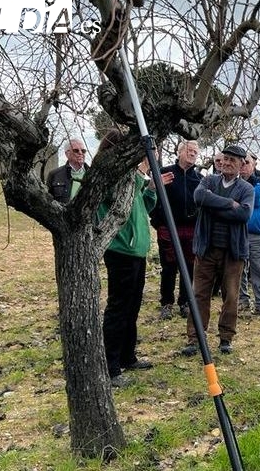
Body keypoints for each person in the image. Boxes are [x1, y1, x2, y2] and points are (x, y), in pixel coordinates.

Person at [95, 131, 156, 387]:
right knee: (119, 307)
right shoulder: (109, 175)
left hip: (137, 251)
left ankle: (127, 356)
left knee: (133, 306)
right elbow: (119, 204)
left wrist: (150, 189)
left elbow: (143, 208)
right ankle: (110, 366)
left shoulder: (132, 177)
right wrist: (140, 180)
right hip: (121, 250)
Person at [181, 145, 254, 356]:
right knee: (199, 294)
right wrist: (229, 203)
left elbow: (243, 215)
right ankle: (194, 339)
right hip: (206, 249)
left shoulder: (246, 189)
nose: (228, 163)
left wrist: (213, 206)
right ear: (220, 161)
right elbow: (199, 198)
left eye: (234, 160)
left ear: (241, 165)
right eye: (226, 158)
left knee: (230, 296)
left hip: (233, 253)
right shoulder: (209, 181)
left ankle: (226, 338)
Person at [150, 140, 203, 320]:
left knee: (189, 267)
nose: (193, 153)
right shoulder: (165, 172)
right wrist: (158, 222)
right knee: (169, 266)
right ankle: (166, 303)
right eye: (189, 150)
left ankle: (185, 302)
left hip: (191, 229)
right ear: (179, 152)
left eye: (196, 151)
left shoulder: (200, 179)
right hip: (168, 228)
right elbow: (152, 198)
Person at [238, 156, 260, 319]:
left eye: (247, 163)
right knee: (239, 268)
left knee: (258, 269)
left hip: (257, 234)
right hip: (237, 232)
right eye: (241, 163)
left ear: (253, 165)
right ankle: (242, 300)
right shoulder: (234, 182)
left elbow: (258, 199)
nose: (243, 166)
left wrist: (238, 198)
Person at [47, 139, 89, 203]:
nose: (80, 153)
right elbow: (48, 200)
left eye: (83, 151)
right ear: (67, 154)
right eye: (76, 150)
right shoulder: (54, 174)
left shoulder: (93, 174)